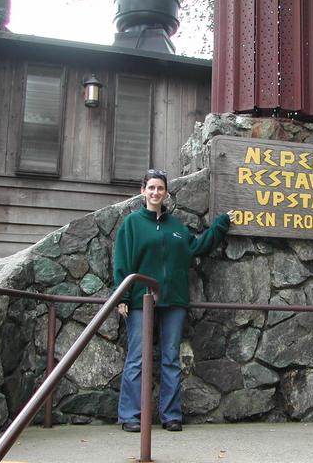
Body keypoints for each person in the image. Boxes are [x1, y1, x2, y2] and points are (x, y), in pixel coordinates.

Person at [114, 169, 234, 433]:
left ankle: (171, 415)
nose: (156, 192)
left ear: (166, 192)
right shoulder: (132, 224)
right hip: (139, 300)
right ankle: (130, 416)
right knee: (137, 357)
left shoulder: (177, 227)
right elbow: (122, 260)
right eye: (151, 188)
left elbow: (199, 246)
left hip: (174, 301)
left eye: (160, 188)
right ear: (143, 191)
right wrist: (121, 296)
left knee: (170, 358)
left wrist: (221, 224)